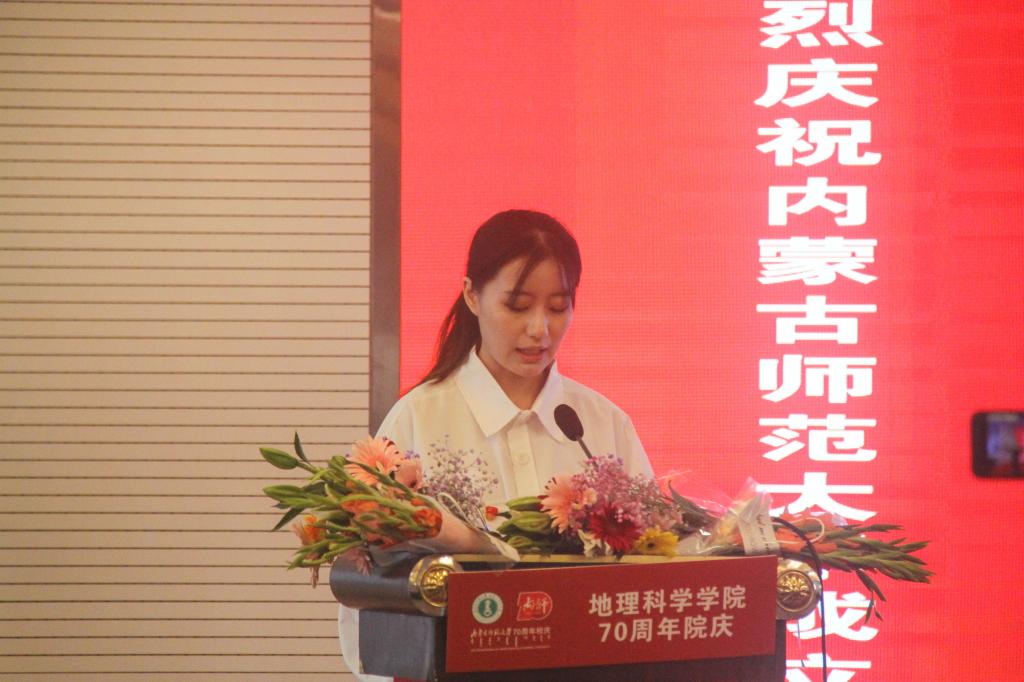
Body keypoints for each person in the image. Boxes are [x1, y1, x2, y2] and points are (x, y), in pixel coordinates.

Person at [340, 209, 654, 680]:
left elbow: (652, 571)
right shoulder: (419, 418)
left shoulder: (601, 425)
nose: (539, 329)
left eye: (558, 307)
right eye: (517, 305)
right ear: (472, 295)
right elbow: (369, 597)